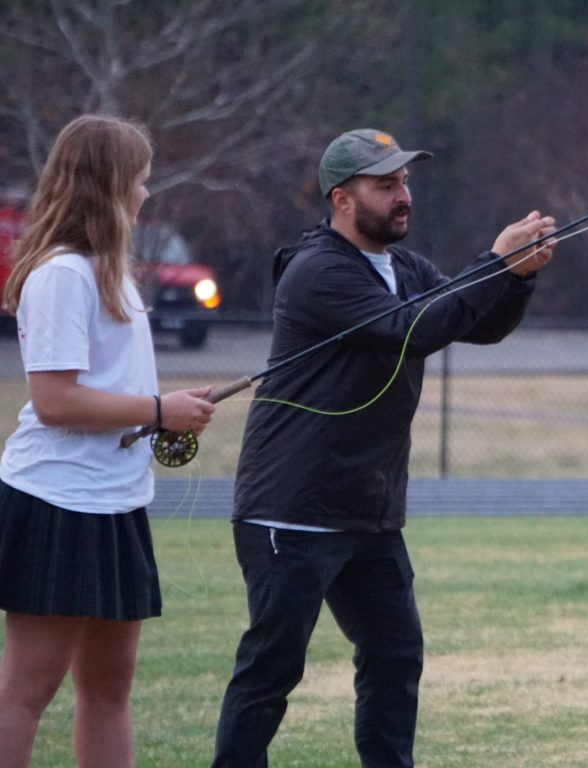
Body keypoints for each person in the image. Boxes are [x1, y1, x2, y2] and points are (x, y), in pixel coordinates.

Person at [211, 128, 555, 767]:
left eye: (405, 182)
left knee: (395, 655)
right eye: (386, 184)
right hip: (293, 507)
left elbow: (474, 323)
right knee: (271, 672)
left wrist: (518, 279)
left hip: (367, 511)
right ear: (342, 199)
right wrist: (493, 261)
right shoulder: (318, 272)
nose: (404, 196)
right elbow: (410, 330)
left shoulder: (405, 267)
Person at [0, 115, 215, 767]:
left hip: (115, 504)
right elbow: (55, 400)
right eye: (141, 181)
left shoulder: (111, 272)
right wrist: (157, 410)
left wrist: (167, 408)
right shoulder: (62, 274)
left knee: (111, 686)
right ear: (111, 184)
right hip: (56, 503)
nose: (146, 195)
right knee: (27, 691)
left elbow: (104, 386)